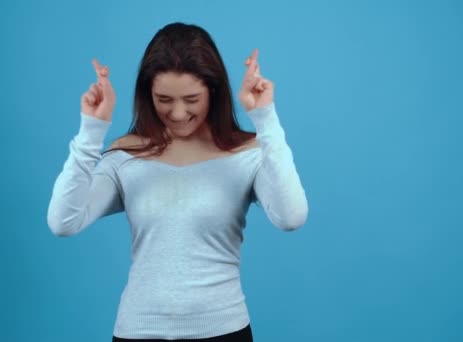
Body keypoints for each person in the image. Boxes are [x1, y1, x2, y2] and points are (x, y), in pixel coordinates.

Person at [47, 22, 308, 342]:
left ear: (213, 91)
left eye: (191, 98)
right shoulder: (126, 156)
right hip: (137, 332)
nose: (178, 112)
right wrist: (92, 130)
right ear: (148, 94)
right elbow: (63, 221)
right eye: (164, 99)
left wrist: (265, 118)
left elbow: (291, 216)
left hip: (223, 331)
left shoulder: (246, 155)